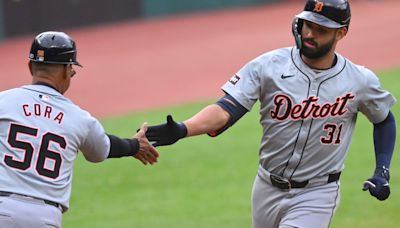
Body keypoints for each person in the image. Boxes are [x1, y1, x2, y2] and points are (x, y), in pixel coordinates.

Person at [145, 0, 396, 227]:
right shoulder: (269, 66)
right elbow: (227, 109)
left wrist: (381, 170)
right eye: (307, 24)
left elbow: (384, 118)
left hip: (317, 193)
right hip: (266, 186)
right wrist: (182, 128)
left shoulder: (359, 80)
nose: (309, 33)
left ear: (341, 33)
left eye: (321, 30)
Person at [0, 31, 159, 228]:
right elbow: (103, 149)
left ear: (30, 66)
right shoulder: (78, 118)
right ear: (67, 70)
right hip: (44, 218)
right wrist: (134, 145)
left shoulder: (3, 101)